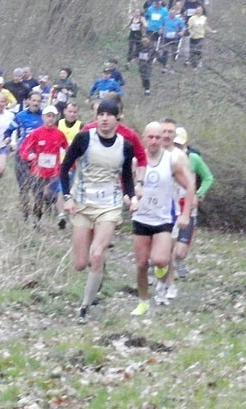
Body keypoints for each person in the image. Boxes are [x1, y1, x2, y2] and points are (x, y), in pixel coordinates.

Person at [60, 99, 138, 323]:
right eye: (101, 114)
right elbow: (65, 168)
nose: (104, 118)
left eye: (109, 114)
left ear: (117, 118)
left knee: (97, 254)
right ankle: (96, 272)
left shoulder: (125, 145)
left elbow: (126, 178)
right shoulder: (84, 138)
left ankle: (85, 307)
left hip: (109, 206)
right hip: (83, 204)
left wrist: (131, 198)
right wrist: (66, 197)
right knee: (80, 263)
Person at [130, 122, 195, 316]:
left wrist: (185, 214)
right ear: (143, 138)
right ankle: (143, 301)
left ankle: (161, 273)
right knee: (141, 264)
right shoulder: (136, 160)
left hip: (163, 218)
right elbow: (124, 182)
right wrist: (128, 197)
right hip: (141, 217)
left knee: (159, 260)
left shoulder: (171, 160)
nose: (154, 141)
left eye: (158, 137)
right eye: (150, 137)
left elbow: (190, 185)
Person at [167, 126, 214, 292]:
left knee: (180, 251)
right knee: (167, 245)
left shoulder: (194, 158)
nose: (177, 147)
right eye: (175, 143)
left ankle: (179, 262)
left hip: (188, 206)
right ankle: (164, 274)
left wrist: (198, 194)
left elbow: (208, 177)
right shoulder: (166, 156)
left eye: (180, 144)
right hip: (170, 205)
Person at [18, 105, 68, 225]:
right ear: (43, 117)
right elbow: (23, 149)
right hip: (38, 172)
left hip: (53, 173)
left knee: (50, 195)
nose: (50, 119)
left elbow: (67, 149)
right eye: (48, 116)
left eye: (53, 116)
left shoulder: (59, 134)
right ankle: (36, 221)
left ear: (56, 118)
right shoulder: (36, 133)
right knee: (38, 197)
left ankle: (54, 214)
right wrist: (28, 156)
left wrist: (68, 163)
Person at [3, 90, 44, 220]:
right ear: (28, 101)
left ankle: (37, 216)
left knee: (37, 188)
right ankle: (25, 213)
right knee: (23, 187)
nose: (36, 103)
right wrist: (8, 140)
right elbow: (8, 131)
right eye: (34, 100)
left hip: (38, 157)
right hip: (22, 155)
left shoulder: (44, 117)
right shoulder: (20, 116)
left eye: (38, 101)